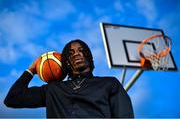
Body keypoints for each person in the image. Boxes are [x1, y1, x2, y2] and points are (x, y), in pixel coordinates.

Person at [4, 39, 134, 118]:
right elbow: (12, 99)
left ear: (88, 56)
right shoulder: (53, 89)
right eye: (71, 53)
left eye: (81, 50)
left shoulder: (109, 83)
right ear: (66, 62)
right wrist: (31, 70)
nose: (76, 53)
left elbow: (124, 116)